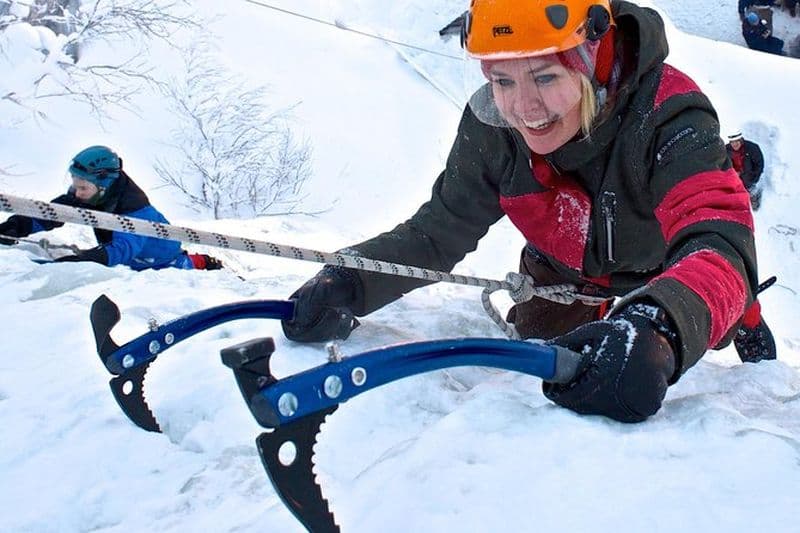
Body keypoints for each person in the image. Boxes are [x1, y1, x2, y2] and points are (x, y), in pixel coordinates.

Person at [281, 0, 775, 423]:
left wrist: (658, 328)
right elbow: (437, 232)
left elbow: (720, 246)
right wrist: (350, 280)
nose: (524, 108)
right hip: (558, 272)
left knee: (711, 311)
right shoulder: (493, 129)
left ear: (592, 55)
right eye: (502, 80)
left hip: (664, 275)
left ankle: (748, 317)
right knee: (548, 358)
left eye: (544, 76)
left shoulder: (669, 114)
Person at [0, 145, 223, 271]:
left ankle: (204, 261)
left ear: (103, 184)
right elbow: (53, 213)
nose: (76, 193)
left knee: (181, 265)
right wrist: (14, 227)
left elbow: (122, 250)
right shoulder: (90, 193)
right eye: (74, 185)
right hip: (136, 254)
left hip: (159, 261)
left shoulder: (136, 212)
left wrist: (86, 260)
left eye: (82, 188)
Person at [725, 130, 765, 209]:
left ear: (741, 140)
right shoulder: (726, 149)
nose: (734, 144)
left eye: (736, 141)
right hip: (734, 174)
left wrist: (754, 178)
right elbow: (724, 163)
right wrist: (732, 172)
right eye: (732, 142)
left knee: (747, 184)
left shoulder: (752, 148)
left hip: (748, 174)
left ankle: (754, 192)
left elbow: (759, 164)